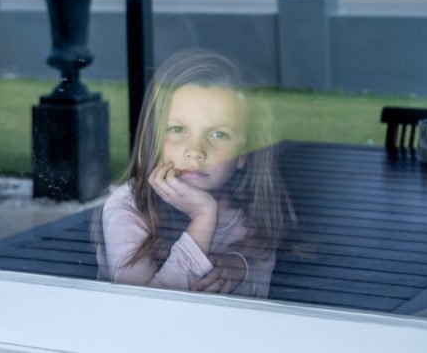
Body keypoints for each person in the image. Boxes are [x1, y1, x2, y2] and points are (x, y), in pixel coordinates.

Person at [94, 49, 295, 297]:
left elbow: (259, 295)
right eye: (177, 129)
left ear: (244, 152)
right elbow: (144, 313)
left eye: (219, 134)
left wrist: (240, 268)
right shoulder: (128, 207)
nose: (195, 151)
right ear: (154, 139)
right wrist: (203, 217)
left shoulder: (250, 211)